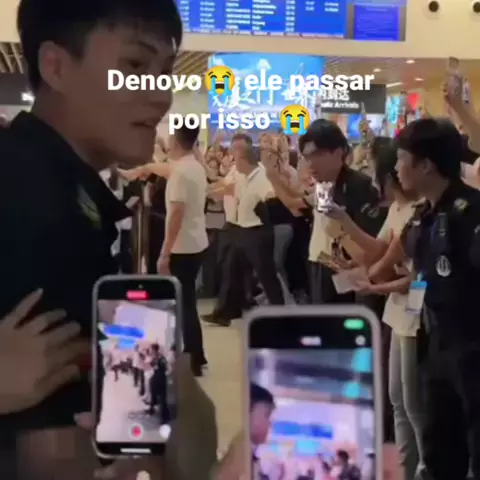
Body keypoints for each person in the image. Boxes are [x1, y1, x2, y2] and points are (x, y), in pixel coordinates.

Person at [0, 0, 182, 477]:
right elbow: (51, 449)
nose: (160, 95)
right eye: (134, 66)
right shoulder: (33, 197)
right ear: (56, 67)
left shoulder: (70, 194)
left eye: (166, 72)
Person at [397, 118, 480, 480]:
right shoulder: (424, 217)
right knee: (440, 446)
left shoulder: (470, 212)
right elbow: (422, 278)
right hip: (436, 344)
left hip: (472, 347)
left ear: (426, 165)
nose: (396, 168)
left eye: (402, 160)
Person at [265, 119, 385, 304]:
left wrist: (342, 234)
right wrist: (273, 176)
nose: (310, 164)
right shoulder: (324, 185)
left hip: (351, 275)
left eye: (317, 155)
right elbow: (297, 205)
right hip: (322, 263)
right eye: (307, 157)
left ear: (338, 152)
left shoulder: (360, 186)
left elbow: (371, 251)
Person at [158, 124, 208, 376]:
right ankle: (196, 355)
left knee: (184, 303)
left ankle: (193, 358)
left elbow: (176, 214)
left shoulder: (180, 172)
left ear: (176, 141)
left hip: (183, 246)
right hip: (196, 242)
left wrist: (165, 252)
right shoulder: (195, 166)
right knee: (187, 301)